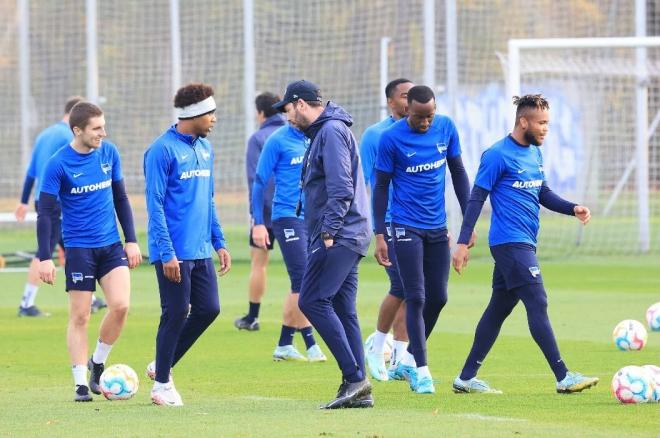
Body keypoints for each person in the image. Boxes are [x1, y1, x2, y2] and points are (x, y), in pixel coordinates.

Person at [451, 94, 599, 395]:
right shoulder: (496, 155)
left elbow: (542, 193)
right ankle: (563, 376)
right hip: (509, 243)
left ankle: (465, 378)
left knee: (498, 309)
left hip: (525, 243)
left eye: (548, 123)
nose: (545, 129)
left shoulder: (534, 154)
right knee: (538, 301)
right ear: (523, 121)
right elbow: (476, 198)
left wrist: (573, 208)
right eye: (541, 123)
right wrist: (463, 242)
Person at [273, 80, 372, 409]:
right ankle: (358, 389)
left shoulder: (329, 132)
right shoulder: (329, 130)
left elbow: (342, 187)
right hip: (351, 232)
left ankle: (354, 377)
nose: (287, 118)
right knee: (344, 309)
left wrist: (328, 232)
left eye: (288, 110)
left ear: (300, 104)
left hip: (339, 234)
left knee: (312, 300)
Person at [37, 101, 141, 402]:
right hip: (79, 248)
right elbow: (45, 213)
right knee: (80, 316)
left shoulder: (110, 153)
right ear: (77, 130)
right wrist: (45, 257)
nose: (103, 133)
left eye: (103, 126)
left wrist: (131, 239)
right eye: (97, 128)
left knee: (120, 306)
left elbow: (121, 198)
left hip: (110, 245)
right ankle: (81, 383)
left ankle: (98, 361)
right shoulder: (58, 164)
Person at [373, 85, 473, 395]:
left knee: (438, 297)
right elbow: (380, 188)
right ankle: (422, 371)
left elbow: (458, 174)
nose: (425, 123)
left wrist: (467, 228)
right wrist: (379, 233)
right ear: (407, 111)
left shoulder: (446, 127)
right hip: (404, 227)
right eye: (419, 117)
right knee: (415, 296)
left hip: (436, 228)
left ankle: (408, 358)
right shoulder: (391, 139)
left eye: (429, 116)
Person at [144, 83, 231, 407]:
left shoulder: (206, 149)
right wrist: (166, 253)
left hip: (200, 250)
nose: (214, 119)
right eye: (211, 113)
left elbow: (207, 199)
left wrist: (219, 241)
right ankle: (161, 385)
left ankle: (160, 365)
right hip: (173, 252)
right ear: (193, 114)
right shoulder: (161, 150)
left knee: (209, 309)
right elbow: (154, 204)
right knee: (176, 312)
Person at [15, 96, 107, 317]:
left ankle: (91, 298)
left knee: (71, 246)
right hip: (57, 202)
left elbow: (30, 172)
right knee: (45, 251)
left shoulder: (44, 135)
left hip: (42, 199)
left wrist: (23, 201)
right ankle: (26, 303)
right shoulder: (71, 136)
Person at [251, 121, 327, 362]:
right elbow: (260, 181)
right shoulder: (278, 139)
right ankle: (309, 341)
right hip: (286, 217)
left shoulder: (317, 136)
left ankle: (285, 343)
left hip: (313, 217)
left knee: (308, 279)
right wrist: (258, 222)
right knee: (301, 278)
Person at [360, 78, 413, 382]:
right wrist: (374, 226)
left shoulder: (424, 132)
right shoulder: (375, 136)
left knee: (414, 293)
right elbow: (368, 183)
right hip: (390, 221)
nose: (410, 101)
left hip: (417, 222)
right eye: (405, 96)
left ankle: (400, 358)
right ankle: (377, 344)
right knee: (401, 286)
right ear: (391, 101)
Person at [235, 92, 286, 331]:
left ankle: (253, 317)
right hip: (295, 210)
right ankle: (304, 320)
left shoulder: (258, 138)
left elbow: (256, 179)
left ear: (260, 113)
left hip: (266, 214)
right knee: (301, 268)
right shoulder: (294, 133)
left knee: (259, 264)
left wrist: (257, 218)